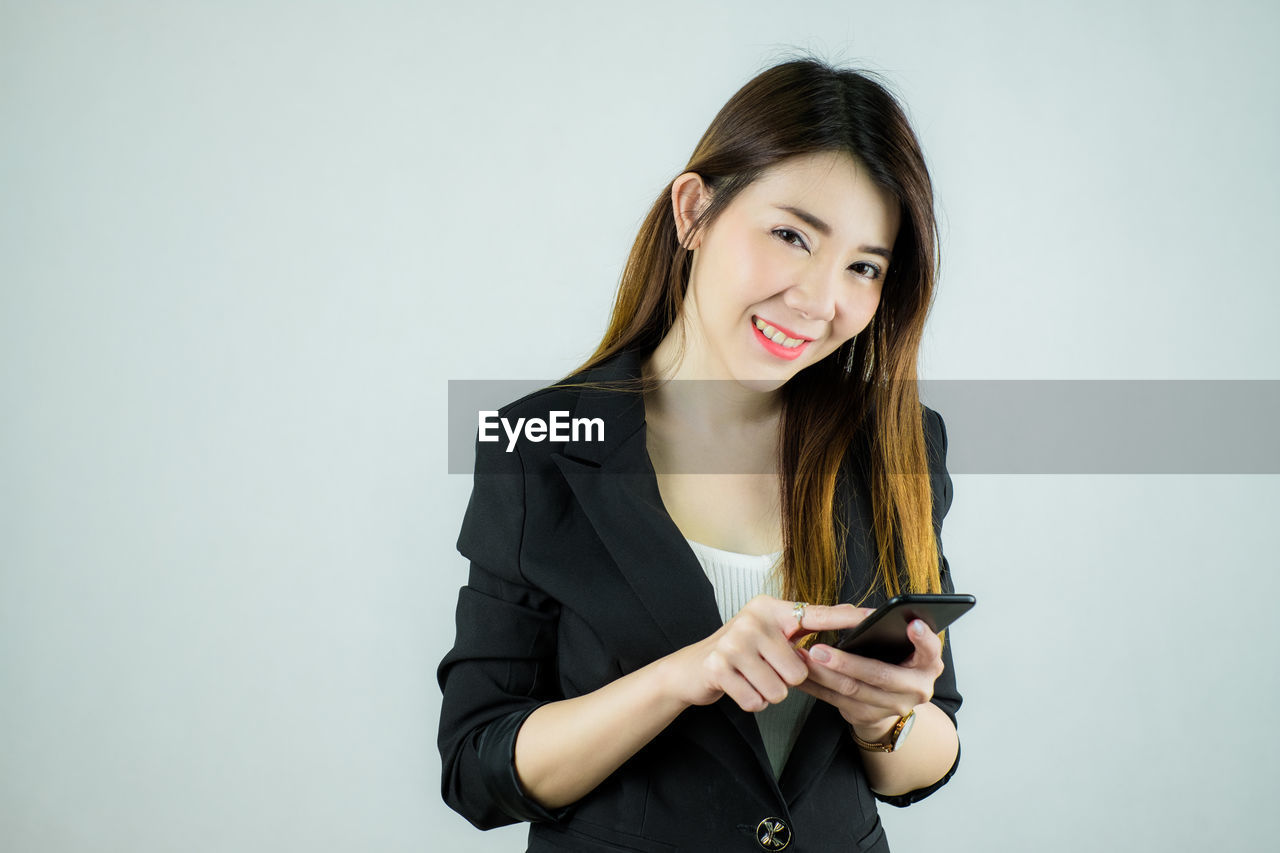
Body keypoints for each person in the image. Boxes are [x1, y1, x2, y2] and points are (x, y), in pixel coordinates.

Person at [438, 56, 962, 852]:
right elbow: (476, 767)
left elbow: (926, 757)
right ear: (694, 211)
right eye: (791, 235)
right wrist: (684, 674)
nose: (820, 301)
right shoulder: (537, 440)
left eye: (863, 267)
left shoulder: (896, 441)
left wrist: (886, 716)